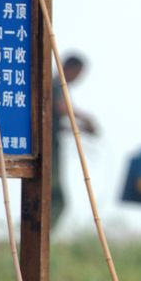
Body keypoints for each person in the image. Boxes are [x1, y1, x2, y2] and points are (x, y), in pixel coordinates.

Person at [50, 53, 97, 230]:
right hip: (49, 150)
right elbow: (62, 109)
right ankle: (43, 235)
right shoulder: (56, 85)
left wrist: (80, 129)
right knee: (57, 198)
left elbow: (55, 122)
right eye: (78, 74)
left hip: (53, 145)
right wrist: (86, 119)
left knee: (55, 198)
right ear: (71, 69)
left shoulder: (57, 86)